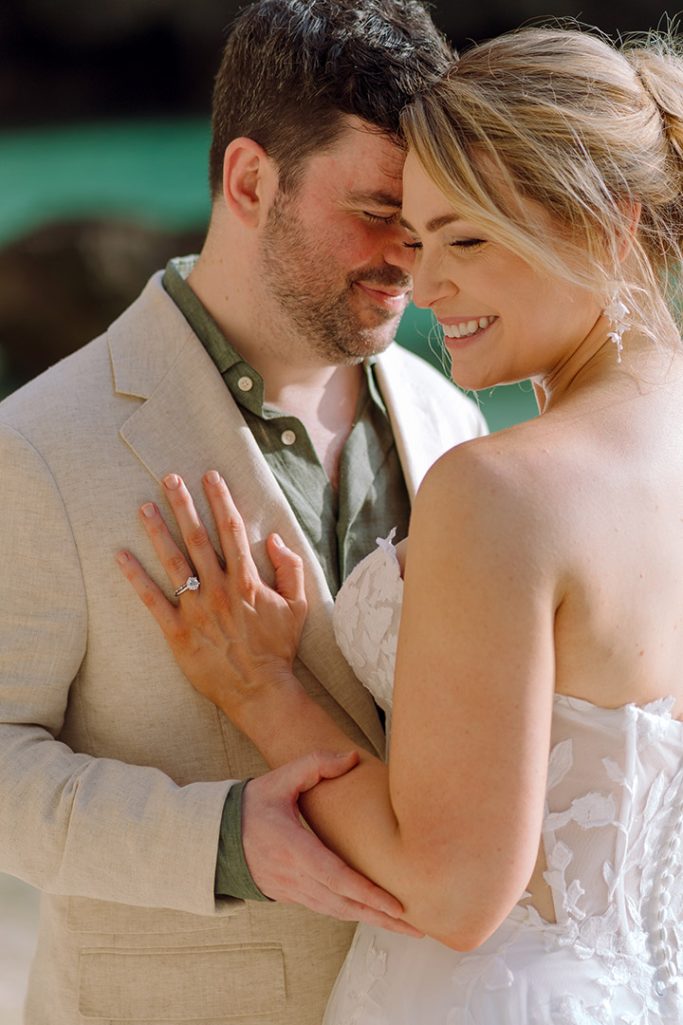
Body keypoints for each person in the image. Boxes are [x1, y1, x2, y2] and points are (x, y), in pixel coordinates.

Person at [119, 24, 683, 1024]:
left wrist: (262, 684)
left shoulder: (503, 490)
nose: (423, 287)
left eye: (464, 239)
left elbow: (458, 895)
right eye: (415, 239)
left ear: (605, 225)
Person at [0, 2, 488, 1023]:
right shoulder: (38, 446)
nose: (408, 258)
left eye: (427, 218)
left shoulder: (452, 415)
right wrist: (220, 838)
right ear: (249, 181)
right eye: (374, 210)